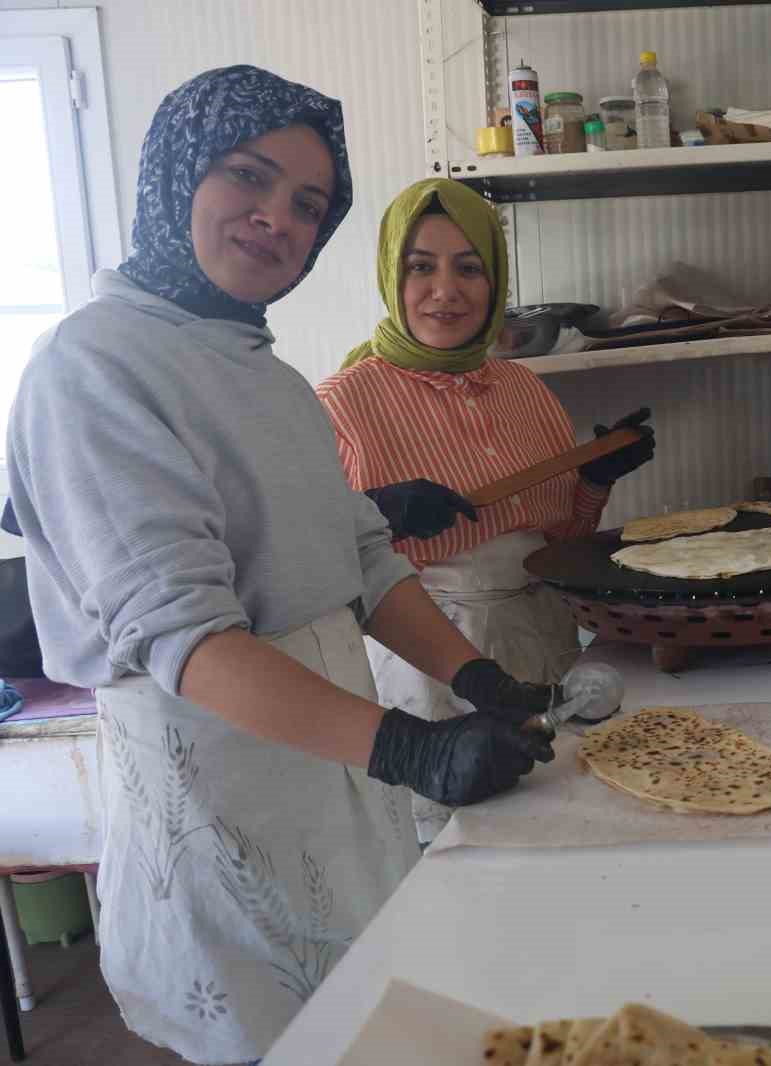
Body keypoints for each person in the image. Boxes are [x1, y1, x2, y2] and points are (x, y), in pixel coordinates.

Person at [4, 67, 566, 1065]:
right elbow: (186, 637)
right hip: (222, 780)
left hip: (332, 766)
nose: (277, 219)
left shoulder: (265, 372)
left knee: (372, 1023)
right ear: (175, 176)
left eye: (308, 205)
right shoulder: (92, 366)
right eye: (247, 178)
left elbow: (364, 559)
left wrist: (474, 677)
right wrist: (412, 748)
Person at [316, 178, 655, 842]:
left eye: (469, 267)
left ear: (495, 281)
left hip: (544, 640)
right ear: (392, 273)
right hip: (429, 662)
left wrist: (594, 481)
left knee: (567, 824)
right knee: (457, 852)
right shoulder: (341, 404)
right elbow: (318, 577)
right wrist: (371, 515)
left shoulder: (525, 390)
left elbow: (565, 539)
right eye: (422, 266)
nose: (446, 289)